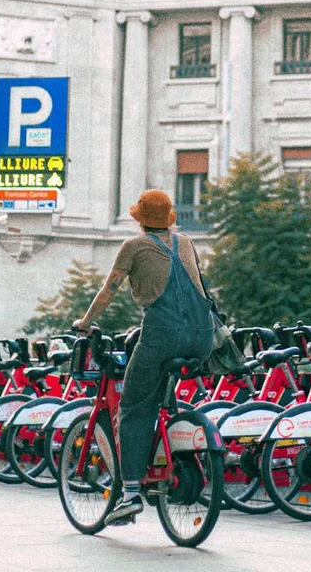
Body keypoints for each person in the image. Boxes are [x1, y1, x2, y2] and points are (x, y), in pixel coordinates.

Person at [75, 189, 215, 527]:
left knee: (134, 408)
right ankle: (173, 442)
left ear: (139, 219)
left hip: (162, 335)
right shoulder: (185, 242)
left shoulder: (133, 246)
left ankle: (131, 492)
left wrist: (85, 323)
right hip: (202, 336)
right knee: (163, 399)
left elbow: (109, 289)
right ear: (167, 218)